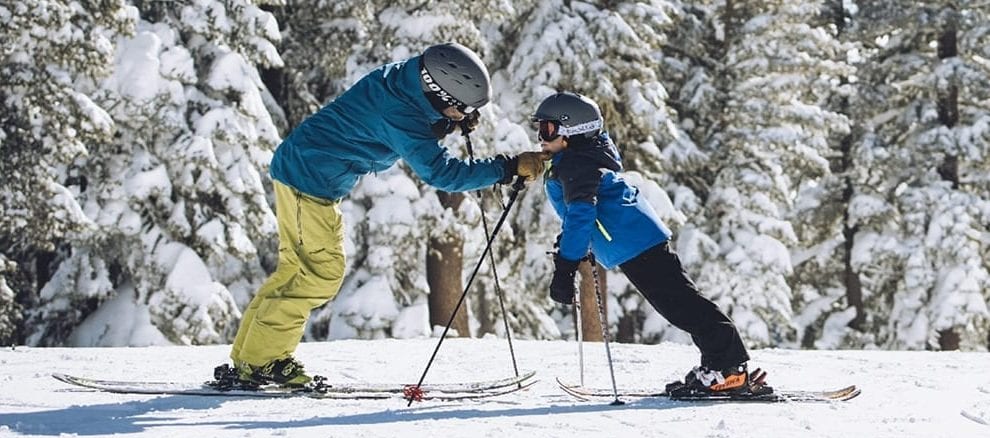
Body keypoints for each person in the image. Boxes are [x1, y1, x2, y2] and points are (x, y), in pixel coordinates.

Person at [225, 43, 547, 387]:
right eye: (461, 108)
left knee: (297, 272)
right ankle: (263, 362)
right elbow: (443, 173)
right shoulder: (401, 113)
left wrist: (446, 121)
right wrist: (506, 167)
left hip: (305, 169)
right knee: (318, 275)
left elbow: (405, 119)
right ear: (440, 93)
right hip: (310, 181)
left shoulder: (404, 79)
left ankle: (251, 358)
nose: (463, 115)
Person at [534, 91, 766, 396]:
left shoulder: (576, 166)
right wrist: (568, 246)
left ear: (573, 131)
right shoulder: (576, 162)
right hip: (635, 240)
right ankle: (720, 365)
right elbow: (578, 215)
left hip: (636, 242)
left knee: (681, 305)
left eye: (547, 129)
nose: (540, 136)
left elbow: (581, 214)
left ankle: (730, 369)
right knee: (680, 303)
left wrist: (565, 267)